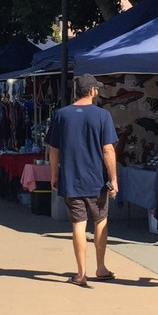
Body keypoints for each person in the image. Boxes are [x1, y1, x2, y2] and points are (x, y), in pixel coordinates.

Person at [46, 74, 119, 287]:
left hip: (71, 179)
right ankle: (101, 267)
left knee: (78, 223)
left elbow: (54, 149)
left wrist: (53, 174)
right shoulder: (102, 115)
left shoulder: (61, 115)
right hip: (97, 180)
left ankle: (81, 272)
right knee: (100, 220)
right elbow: (108, 150)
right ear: (93, 91)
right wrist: (114, 178)